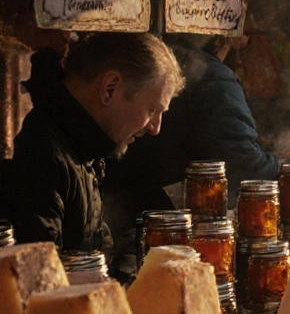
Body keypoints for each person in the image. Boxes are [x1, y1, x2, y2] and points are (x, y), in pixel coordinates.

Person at [3, 33, 183, 263]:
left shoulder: (85, 149)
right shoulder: (44, 157)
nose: (155, 127)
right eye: (152, 110)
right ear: (110, 88)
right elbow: (43, 281)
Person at [103, 34, 282, 260]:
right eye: (151, 111)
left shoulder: (183, 64)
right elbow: (241, 162)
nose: (154, 127)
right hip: (156, 229)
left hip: (132, 223)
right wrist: (281, 167)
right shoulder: (215, 79)